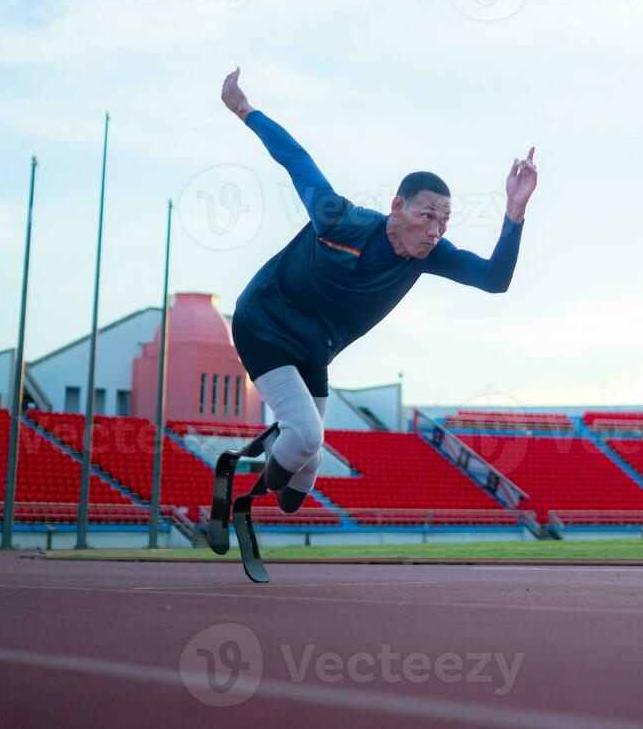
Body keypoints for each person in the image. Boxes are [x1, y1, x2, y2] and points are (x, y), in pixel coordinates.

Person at [219, 67, 537, 513]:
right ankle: (246, 498)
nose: (434, 231)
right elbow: (295, 157)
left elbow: (494, 280)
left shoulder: (430, 255)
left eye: (444, 222)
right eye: (427, 216)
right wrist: (244, 109)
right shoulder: (339, 220)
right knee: (306, 436)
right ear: (397, 207)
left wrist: (515, 212)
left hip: (314, 349)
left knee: (305, 471)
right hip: (264, 324)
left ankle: (272, 463)